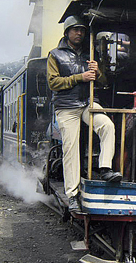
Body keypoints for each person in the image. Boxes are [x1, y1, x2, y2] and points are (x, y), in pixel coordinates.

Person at [47, 15, 122, 213]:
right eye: (75, 30)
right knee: (70, 148)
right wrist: (79, 77)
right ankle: (72, 195)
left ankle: (105, 168)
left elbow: (104, 82)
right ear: (67, 33)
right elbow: (53, 82)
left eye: (81, 30)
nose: (79, 33)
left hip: (88, 102)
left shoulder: (91, 53)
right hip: (66, 106)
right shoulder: (55, 55)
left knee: (107, 125)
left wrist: (97, 72)